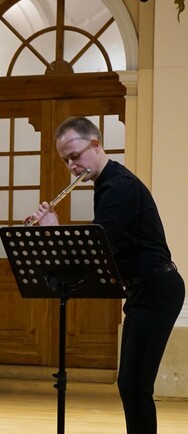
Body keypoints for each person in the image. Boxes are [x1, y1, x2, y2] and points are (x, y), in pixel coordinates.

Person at [27, 116, 185, 434]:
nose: (72, 166)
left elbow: (94, 250)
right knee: (132, 384)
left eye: (75, 156)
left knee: (134, 385)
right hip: (145, 289)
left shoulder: (118, 187)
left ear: (96, 145)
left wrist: (54, 232)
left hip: (157, 288)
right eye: (66, 160)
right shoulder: (107, 185)